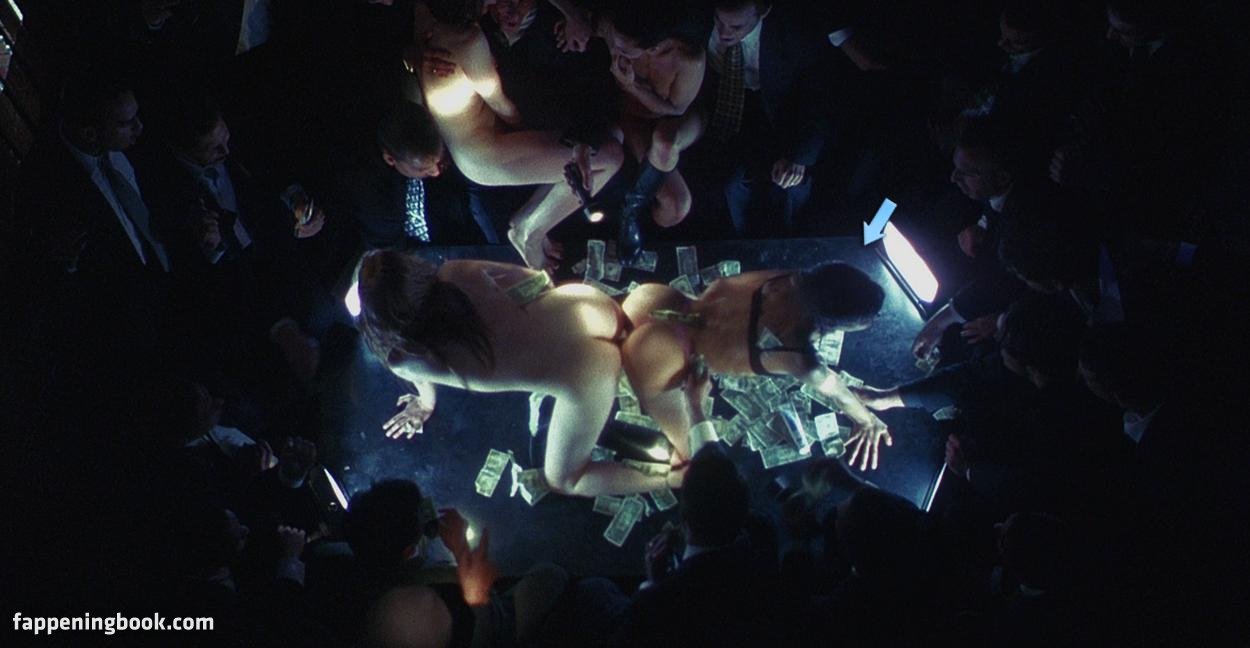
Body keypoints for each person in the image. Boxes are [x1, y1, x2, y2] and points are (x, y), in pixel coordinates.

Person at [354, 250, 685, 496]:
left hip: (586, 373)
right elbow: (537, 281)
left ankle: (677, 476)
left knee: (564, 481)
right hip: (589, 305)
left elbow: (422, 381)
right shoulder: (457, 271)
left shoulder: (406, 359)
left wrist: (425, 405)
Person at [413, 0, 624, 270]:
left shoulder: (428, 18)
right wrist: (529, 129)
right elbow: (502, 106)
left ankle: (526, 220)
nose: (494, 5)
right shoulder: (470, 40)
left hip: (484, 142)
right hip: (484, 155)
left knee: (610, 136)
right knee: (611, 158)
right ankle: (531, 233)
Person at [620, 262, 891, 469]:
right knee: (692, 458)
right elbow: (839, 392)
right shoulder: (799, 357)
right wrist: (868, 420)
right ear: (831, 323)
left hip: (655, 298)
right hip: (660, 353)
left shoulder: (785, 277)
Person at [701, 0, 835, 237]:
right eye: (719, 22)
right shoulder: (699, 24)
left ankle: (785, 245)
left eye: (736, 27)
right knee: (727, 186)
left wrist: (799, 156)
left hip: (782, 118)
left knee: (789, 188)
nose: (723, 33)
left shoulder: (791, 37)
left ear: (762, 13)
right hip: (728, 114)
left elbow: (819, 97)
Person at [598, 3, 709, 257]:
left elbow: (676, 110)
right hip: (635, 119)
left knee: (665, 142)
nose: (618, 50)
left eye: (626, 49)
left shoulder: (687, 57)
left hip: (678, 117)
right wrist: (573, 22)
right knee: (676, 204)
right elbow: (591, 22)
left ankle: (631, 208)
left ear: (652, 46)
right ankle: (631, 214)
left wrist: (633, 87)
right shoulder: (616, 29)